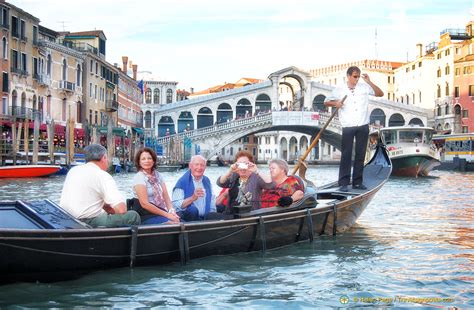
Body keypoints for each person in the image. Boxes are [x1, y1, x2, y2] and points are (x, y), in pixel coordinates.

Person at [324, 66, 384, 192]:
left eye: (358, 76)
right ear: (349, 76)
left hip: (363, 125)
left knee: (360, 155)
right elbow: (326, 102)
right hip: (348, 126)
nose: (357, 79)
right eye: (355, 76)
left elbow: (380, 93)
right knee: (346, 155)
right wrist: (336, 103)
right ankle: (344, 183)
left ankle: (357, 182)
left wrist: (369, 81)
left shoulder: (364, 87)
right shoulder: (340, 89)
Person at [60, 144, 140, 228]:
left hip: (67, 219)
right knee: (133, 216)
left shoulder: (73, 171)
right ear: (104, 157)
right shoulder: (102, 175)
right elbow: (121, 209)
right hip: (86, 222)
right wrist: (113, 210)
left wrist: (108, 208)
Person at [133, 147, 180, 225]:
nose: (147, 161)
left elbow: (166, 196)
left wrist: (171, 211)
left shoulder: (158, 175)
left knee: (179, 221)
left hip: (160, 211)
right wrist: (168, 215)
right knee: (172, 223)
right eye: (143, 159)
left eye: (149, 158)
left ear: (153, 160)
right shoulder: (139, 177)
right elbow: (145, 204)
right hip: (145, 214)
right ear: (139, 162)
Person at [172, 155, 217, 221]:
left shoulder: (207, 181)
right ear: (190, 166)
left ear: (205, 167)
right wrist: (192, 198)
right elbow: (176, 206)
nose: (199, 167)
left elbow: (212, 200)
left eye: (202, 165)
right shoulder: (182, 182)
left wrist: (212, 215)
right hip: (188, 219)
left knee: (216, 215)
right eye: (196, 164)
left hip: (204, 218)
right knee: (192, 210)